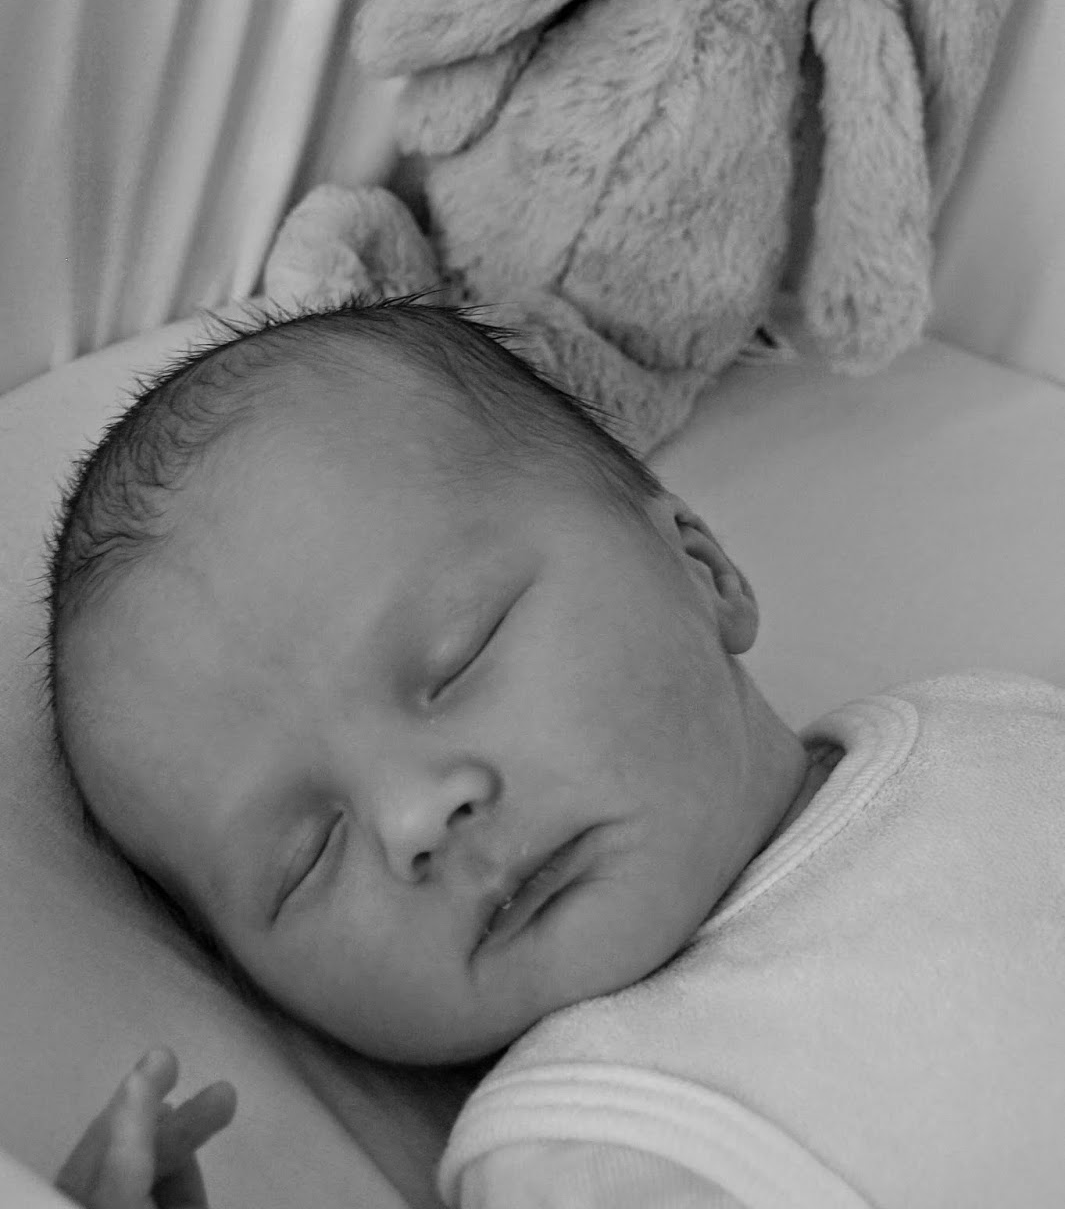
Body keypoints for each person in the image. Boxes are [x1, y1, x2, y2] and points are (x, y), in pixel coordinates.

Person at [45, 299, 1065, 1209]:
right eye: (305, 858)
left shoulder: (990, 722)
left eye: (459, 656)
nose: (413, 815)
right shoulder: (586, 1147)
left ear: (702, 570)